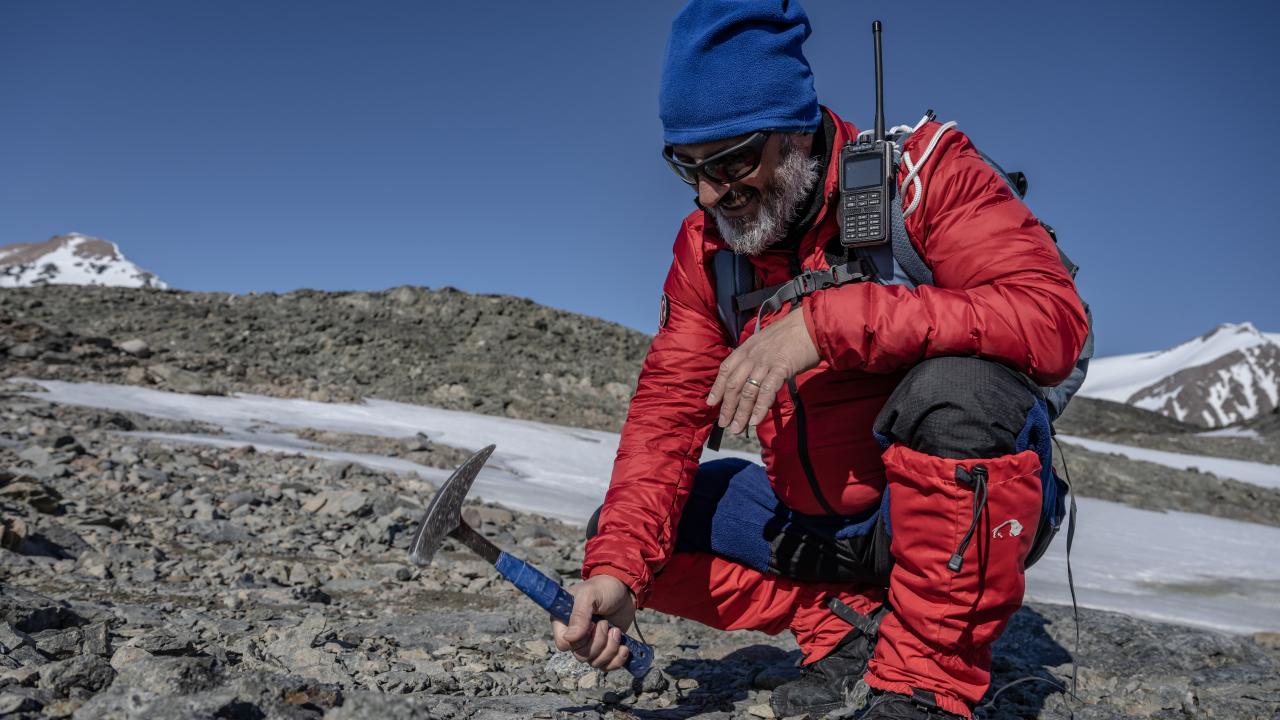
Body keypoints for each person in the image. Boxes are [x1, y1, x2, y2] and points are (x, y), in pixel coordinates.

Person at [550, 1, 1089, 718]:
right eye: (688, 168)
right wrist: (616, 569)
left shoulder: (921, 178)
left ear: (797, 129)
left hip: (955, 503)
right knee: (632, 542)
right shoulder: (708, 252)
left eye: (733, 162)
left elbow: (1051, 318)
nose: (712, 194)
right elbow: (667, 414)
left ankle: (922, 684)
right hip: (823, 528)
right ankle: (847, 630)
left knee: (961, 390)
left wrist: (827, 323)